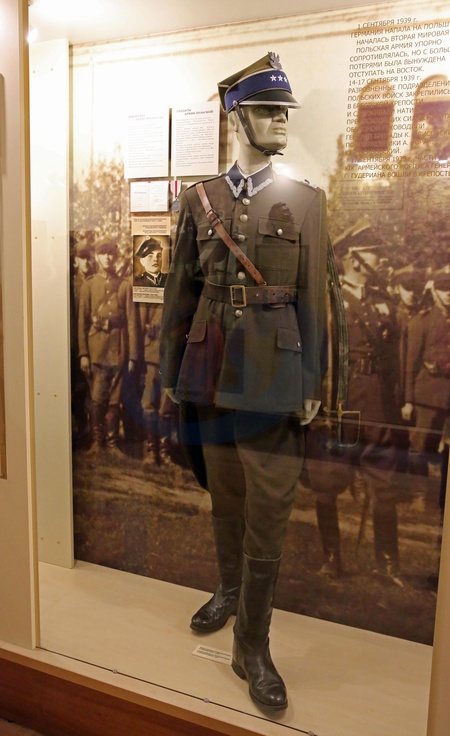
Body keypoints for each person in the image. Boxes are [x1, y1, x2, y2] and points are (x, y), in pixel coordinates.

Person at [160, 53, 328, 712]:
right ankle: (229, 592)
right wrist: (169, 373)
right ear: (237, 116)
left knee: (270, 511)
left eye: (284, 111)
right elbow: (180, 291)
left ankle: (251, 647)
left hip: (274, 379)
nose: (281, 120)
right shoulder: (198, 199)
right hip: (208, 375)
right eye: (266, 110)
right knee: (224, 496)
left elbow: (314, 300)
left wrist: (312, 381)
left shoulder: (306, 201)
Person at [314, 221, 403, 585]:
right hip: (342, 398)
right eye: (373, 254)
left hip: (377, 403)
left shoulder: (384, 302)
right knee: (327, 482)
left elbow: (394, 357)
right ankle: (331, 558)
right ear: (354, 259)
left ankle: (388, 564)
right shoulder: (328, 300)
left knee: (385, 485)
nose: (380, 260)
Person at [78, 236, 139, 456]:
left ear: (116, 256)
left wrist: (132, 356)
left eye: (111, 253)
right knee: (98, 397)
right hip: (96, 351)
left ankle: (112, 444)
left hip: (118, 350)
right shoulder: (88, 286)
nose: (107, 257)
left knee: (115, 399)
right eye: (103, 253)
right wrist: (84, 354)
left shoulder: (125, 287)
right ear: (97, 256)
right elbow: (82, 323)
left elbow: (132, 323)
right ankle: (97, 441)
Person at [402, 265, 450, 520]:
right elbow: (411, 364)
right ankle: (419, 494)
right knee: (419, 446)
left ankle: (443, 498)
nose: (448, 293)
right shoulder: (422, 321)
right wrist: (409, 400)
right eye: (443, 289)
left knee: (446, 450)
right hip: (427, 396)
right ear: (435, 291)